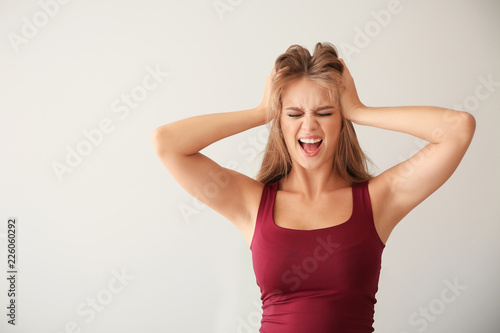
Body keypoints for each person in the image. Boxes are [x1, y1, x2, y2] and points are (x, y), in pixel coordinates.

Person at [152, 42, 475, 332]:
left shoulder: (378, 200)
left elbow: (457, 129)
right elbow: (168, 142)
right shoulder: (250, 202)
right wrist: (261, 111)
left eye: (325, 112)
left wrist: (359, 110)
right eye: (293, 113)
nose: (309, 125)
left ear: (341, 121)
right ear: (280, 121)